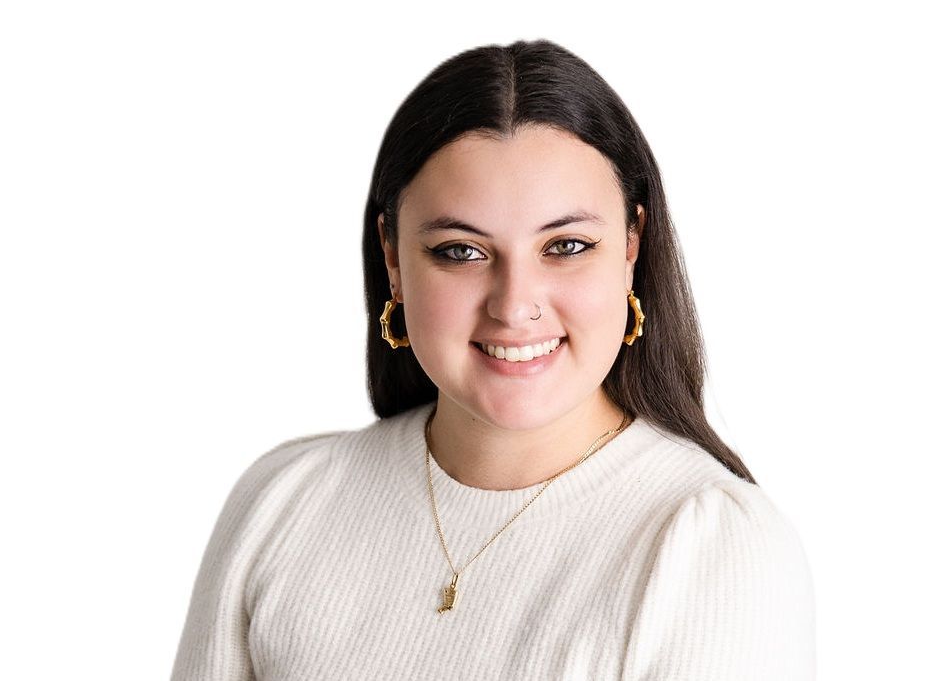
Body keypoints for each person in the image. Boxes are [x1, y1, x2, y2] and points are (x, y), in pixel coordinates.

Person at [170, 39, 815, 680]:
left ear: (631, 246)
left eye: (565, 246)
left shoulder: (709, 548)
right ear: (393, 257)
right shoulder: (283, 501)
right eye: (461, 251)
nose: (514, 305)